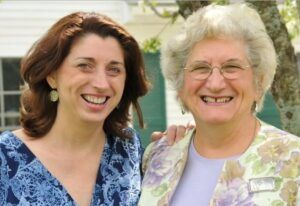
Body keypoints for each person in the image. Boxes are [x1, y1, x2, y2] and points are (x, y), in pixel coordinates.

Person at [139, 3, 300, 206]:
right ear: (181, 85)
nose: (215, 84)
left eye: (231, 67)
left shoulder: (294, 161)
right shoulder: (156, 156)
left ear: (258, 82)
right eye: (200, 68)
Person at [0, 11, 150, 206]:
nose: (101, 83)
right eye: (85, 65)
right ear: (52, 75)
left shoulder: (128, 149)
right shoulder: (5, 158)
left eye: (114, 69)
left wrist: (180, 147)